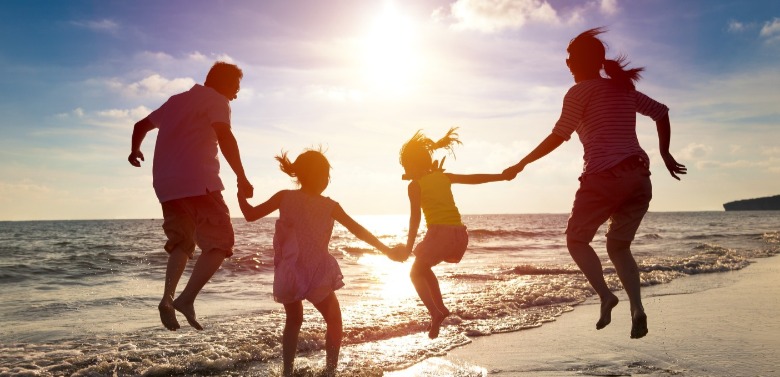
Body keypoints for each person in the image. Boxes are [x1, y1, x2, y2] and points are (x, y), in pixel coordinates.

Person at [503, 27, 687, 339]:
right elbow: (661, 113)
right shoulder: (622, 89)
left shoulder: (579, 92)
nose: (567, 62)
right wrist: (665, 154)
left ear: (587, 61)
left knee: (576, 240)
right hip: (640, 178)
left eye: (572, 57)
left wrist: (522, 162)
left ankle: (605, 296)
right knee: (618, 246)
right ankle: (637, 308)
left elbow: (559, 135)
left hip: (604, 176)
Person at [237, 149, 405, 377]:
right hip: (316, 272)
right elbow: (358, 231)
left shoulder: (284, 196)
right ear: (313, 175)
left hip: (290, 273)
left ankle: (288, 372)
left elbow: (249, 214)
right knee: (334, 319)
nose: (326, 180)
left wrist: (240, 193)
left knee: (294, 320)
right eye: (325, 174)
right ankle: (330, 370)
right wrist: (386, 250)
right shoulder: (329, 205)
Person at [128, 61, 254, 331]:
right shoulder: (217, 100)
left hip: (167, 186)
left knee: (182, 243)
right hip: (200, 182)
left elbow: (140, 126)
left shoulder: (175, 101)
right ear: (221, 82)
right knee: (221, 243)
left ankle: (167, 298)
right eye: (235, 86)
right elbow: (225, 136)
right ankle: (186, 299)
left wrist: (134, 151)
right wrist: (241, 177)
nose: (236, 93)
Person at [398, 128, 511, 339]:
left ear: (413, 165)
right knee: (423, 268)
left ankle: (435, 311)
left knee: (415, 273)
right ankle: (440, 309)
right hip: (459, 235)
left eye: (406, 166)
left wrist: (407, 246)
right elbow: (473, 179)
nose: (405, 170)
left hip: (439, 234)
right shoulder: (443, 177)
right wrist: (501, 176)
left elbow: (415, 219)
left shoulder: (415, 186)